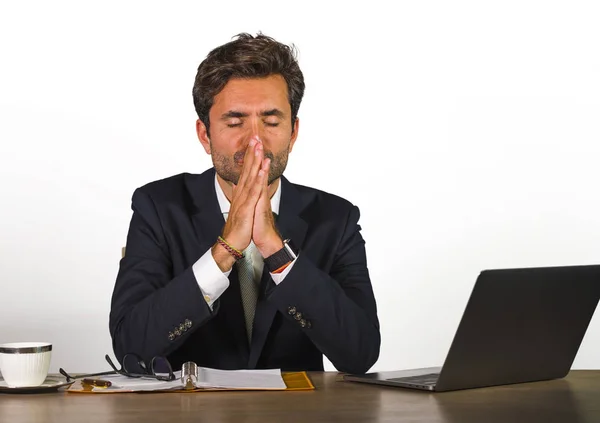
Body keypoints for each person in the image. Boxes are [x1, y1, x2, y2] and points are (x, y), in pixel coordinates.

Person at [109, 33, 380, 374]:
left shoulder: (335, 219)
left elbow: (361, 353)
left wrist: (276, 250)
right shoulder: (158, 208)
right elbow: (131, 347)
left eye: (271, 122)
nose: (255, 140)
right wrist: (224, 250)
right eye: (235, 122)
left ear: (293, 133)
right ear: (205, 134)